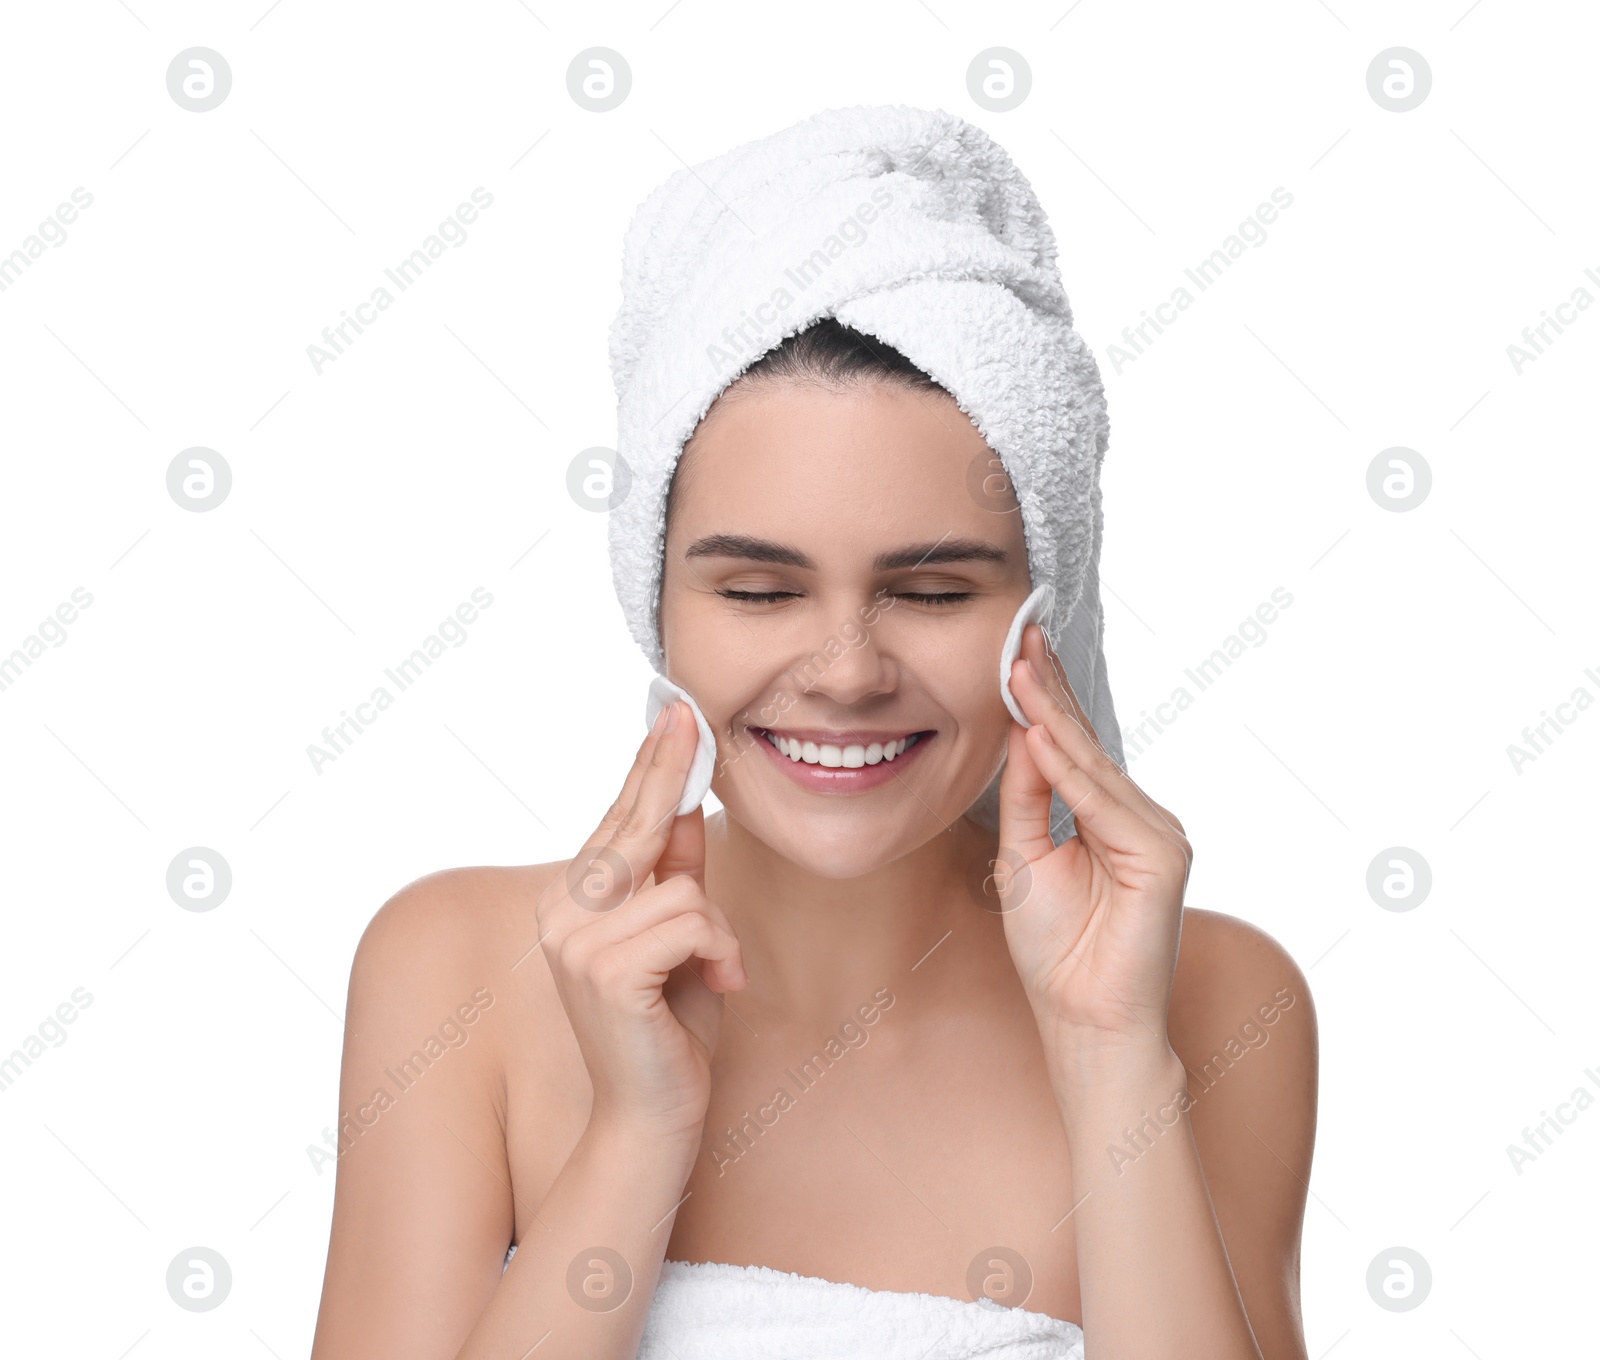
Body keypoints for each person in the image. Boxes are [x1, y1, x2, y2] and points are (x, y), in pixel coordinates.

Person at [308, 313, 1317, 1360]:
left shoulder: (1214, 998)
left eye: (932, 592)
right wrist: (634, 1136)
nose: (846, 672)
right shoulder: (455, 968)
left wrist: (1112, 1061)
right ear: (655, 606)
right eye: (759, 591)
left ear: (1038, 617)